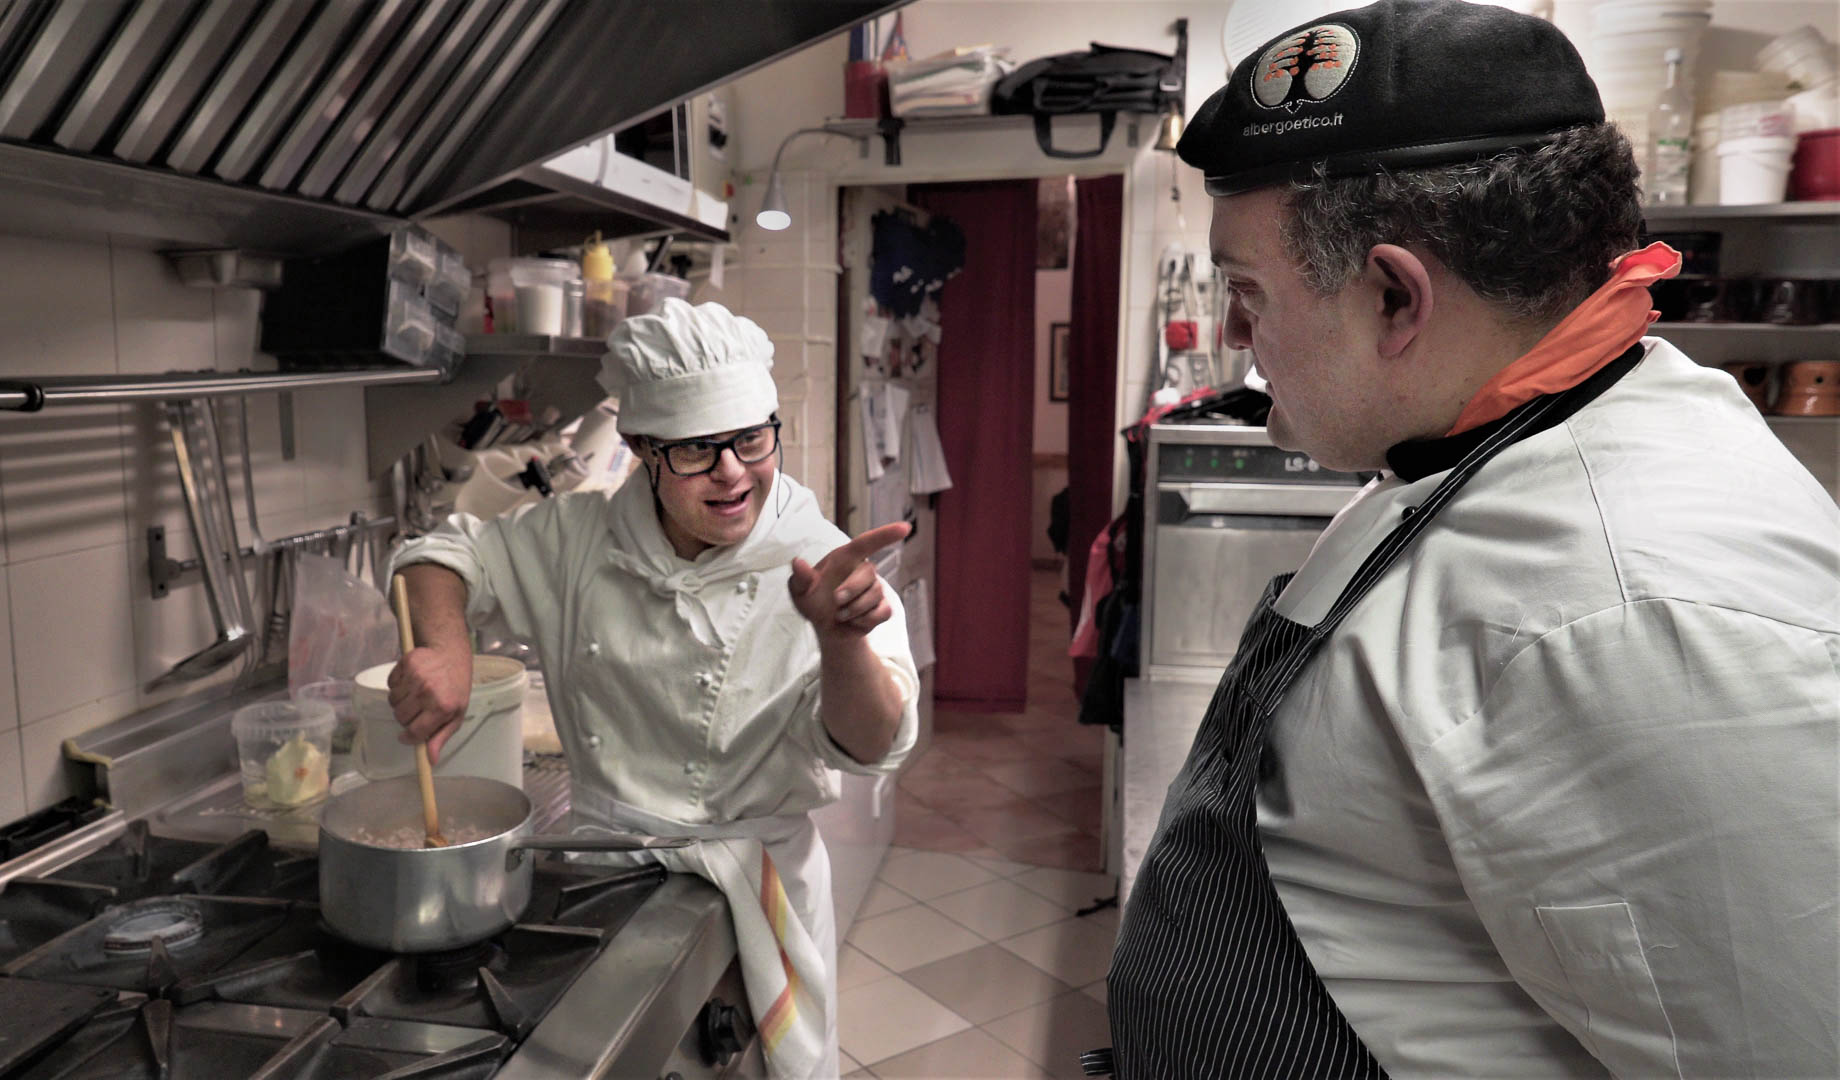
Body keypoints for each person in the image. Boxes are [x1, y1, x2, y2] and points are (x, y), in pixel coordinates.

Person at [1100, 2, 1840, 1077]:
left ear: (1397, 295)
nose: (1236, 339)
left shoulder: (1643, 613)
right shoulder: (1475, 443)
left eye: (1248, 295)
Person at [386, 298, 919, 1080]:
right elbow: (437, 551)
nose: (734, 472)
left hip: (750, 893)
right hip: (602, 886)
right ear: (640, 448)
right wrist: (447, 645)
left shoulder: (823, 562)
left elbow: (878, 747)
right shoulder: (575, 538)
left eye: (750, 439)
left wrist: (841, 645)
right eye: (698, 451)